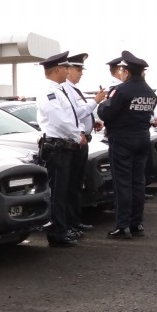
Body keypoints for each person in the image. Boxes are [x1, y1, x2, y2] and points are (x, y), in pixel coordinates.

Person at [97, 51, 157, 239]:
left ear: (126, 71)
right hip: (142, 138)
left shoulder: (121, 90)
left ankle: (123, 226)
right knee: (138, 182)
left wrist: (103, 104)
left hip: (122, 139)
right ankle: (136, 223)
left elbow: (107, 114)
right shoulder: (149, 92)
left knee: (123, 183)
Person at [35, 51, 85, 247]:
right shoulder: (50, 91)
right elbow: (59, 119)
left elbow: (69, 116)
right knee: (57, 192)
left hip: (62, 146)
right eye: (65, 67)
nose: (68, 70)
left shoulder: (59, 90)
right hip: (56, 146)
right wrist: (76, 135)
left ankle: (62, 228)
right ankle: (57, 232)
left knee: (62, 191)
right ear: (57, 69)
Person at [61, 53, 106, 235]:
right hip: (74, 143)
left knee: (77, 184)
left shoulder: (73, 89)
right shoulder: (65, 89)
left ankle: (75, 220)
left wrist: (90, 121)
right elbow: (75, 114)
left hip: (82, 140)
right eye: (78, 69)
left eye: (81, 70)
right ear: (68, 69)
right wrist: (95, 101)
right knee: (71, 185)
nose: (81, 73)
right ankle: (70, 222)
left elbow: (79, 115)